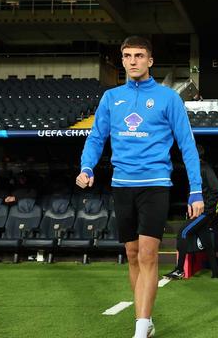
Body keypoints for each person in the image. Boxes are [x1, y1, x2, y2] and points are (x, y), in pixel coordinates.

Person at [75, 36, 203, 338]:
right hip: (122, 185)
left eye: (139, 55)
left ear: (150, 61)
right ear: (122, 60)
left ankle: (140, 328)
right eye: (127, 55)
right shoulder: (111, 98)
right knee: (132, 255)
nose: (133, 61)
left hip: (155, 184)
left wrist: (195, 189)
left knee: (147, 254)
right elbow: (96, 137)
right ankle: (144, 318)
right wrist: (86, 166)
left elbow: (187, 145)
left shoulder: (169, 98)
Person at [164, 144, 218, 280]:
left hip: (204, 213)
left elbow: (216, 191)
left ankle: (179, 270)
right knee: (207, 241)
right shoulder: (196, 169)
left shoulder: (205, 168)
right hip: (203, 212)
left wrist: (206, 209)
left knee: (183, 233)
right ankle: (216, 272)